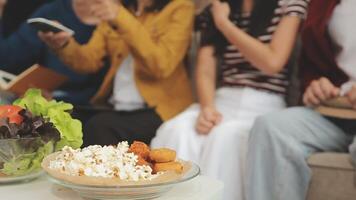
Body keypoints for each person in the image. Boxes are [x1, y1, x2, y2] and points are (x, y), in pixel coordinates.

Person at [151, 0, 309, 199]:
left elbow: (272, 62)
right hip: (221, 99)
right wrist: (207, 108)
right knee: (177, 130)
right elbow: (205, 70)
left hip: (264, 102)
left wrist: (225, 24)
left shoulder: (291, 4)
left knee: (225, 137)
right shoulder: (219, 6)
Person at [39, 0, 195, 146]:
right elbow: (88, 62)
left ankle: (89, 175)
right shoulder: (120, 7)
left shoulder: (180, 7)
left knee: (100, 126)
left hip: (159, 109)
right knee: (57, 117)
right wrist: (64, 44)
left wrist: (120, 17)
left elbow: (161, 65)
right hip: (116, 107)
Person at [245, 0, 356, 200]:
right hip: (335, 112)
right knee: (270, 128)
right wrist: (315, 86)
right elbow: (311, 66)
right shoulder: (322, 4)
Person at [0, 0, 103, 105]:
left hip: (91, 106)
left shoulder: (115, 20)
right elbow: (8, 57)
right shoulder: (54, 10)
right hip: (43, 96)